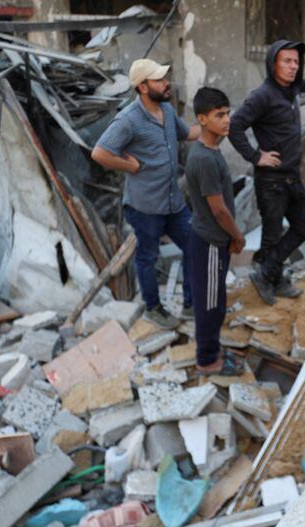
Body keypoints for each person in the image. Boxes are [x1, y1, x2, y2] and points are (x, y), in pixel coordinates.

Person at [92, 59, 201, 329]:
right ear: (142, 87)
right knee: (148, 258)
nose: (166, 84)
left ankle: (190, 304)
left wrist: (215, 125)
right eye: (159, 80)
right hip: (145, 206)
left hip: (173, 202)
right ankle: (154, 308)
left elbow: (188, 133)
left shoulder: (167, 110)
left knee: (195, 244)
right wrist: (130, 166)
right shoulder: (129, 119)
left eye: (165, 78)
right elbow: (100, 153)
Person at [228, 40, 305, 305]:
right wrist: (256, 156)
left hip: (292, 176)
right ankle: (271, 278)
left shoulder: (292, 88)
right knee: (272, 236)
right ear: (273, 63)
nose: (293, 66)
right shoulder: (261, 96)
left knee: (303, 225)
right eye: (287, 61)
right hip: (271, 181)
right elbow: (235, 126)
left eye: (296, 62)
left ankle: (267, 273)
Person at [185, 87, 246, 377]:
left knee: (216, 301)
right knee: (209, 305)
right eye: (219, 115)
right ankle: (207, 360)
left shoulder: (211, 151)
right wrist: (237, 236)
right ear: (202, 119)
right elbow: (219, 210)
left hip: (214, 240)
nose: (226, 120)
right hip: (209, 242)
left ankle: (214, 349)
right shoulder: (204, 159)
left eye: (228, 114)